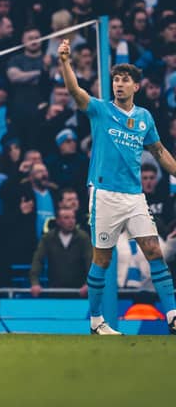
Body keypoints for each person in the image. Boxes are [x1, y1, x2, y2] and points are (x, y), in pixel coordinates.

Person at [58, 38, 176, 335]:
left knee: (153, 249)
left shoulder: (144, 118)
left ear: (137, 86)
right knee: (103, 257)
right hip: (105, 194)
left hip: (135, 195)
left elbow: (159, 152)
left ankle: (173, 315)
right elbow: (74, 91)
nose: (119, 85)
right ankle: (97, 321)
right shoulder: (100, 110)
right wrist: (65, 62)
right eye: (116, 80)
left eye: (125, 81)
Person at [29, 208, 91, 297]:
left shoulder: (83, 237)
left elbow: (89, 261)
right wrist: (34, 283)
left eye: (73, 218)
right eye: (66, 218)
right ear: (58, 221)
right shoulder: (48, 238)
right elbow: (37, 260)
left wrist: (88, 284)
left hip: (79, 291)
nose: (71, 221)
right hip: (54, 289)